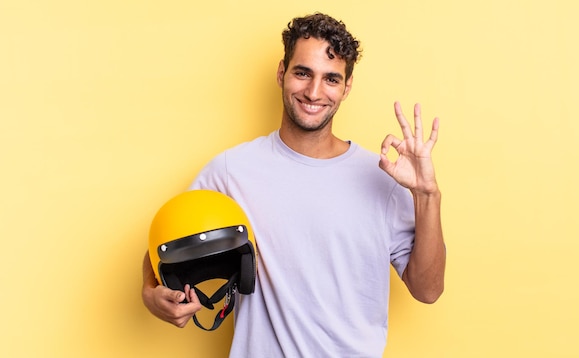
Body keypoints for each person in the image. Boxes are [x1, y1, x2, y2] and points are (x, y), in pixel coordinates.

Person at [142, 12, 445, 357]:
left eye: (331, 79)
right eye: (303, 73)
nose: (314, 92)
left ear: (346, 88)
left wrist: (427, 195)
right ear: (281, 72)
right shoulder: (231, 171)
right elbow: (166, 244)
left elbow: (428, 290)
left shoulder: (382, 177)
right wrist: (150, 293)